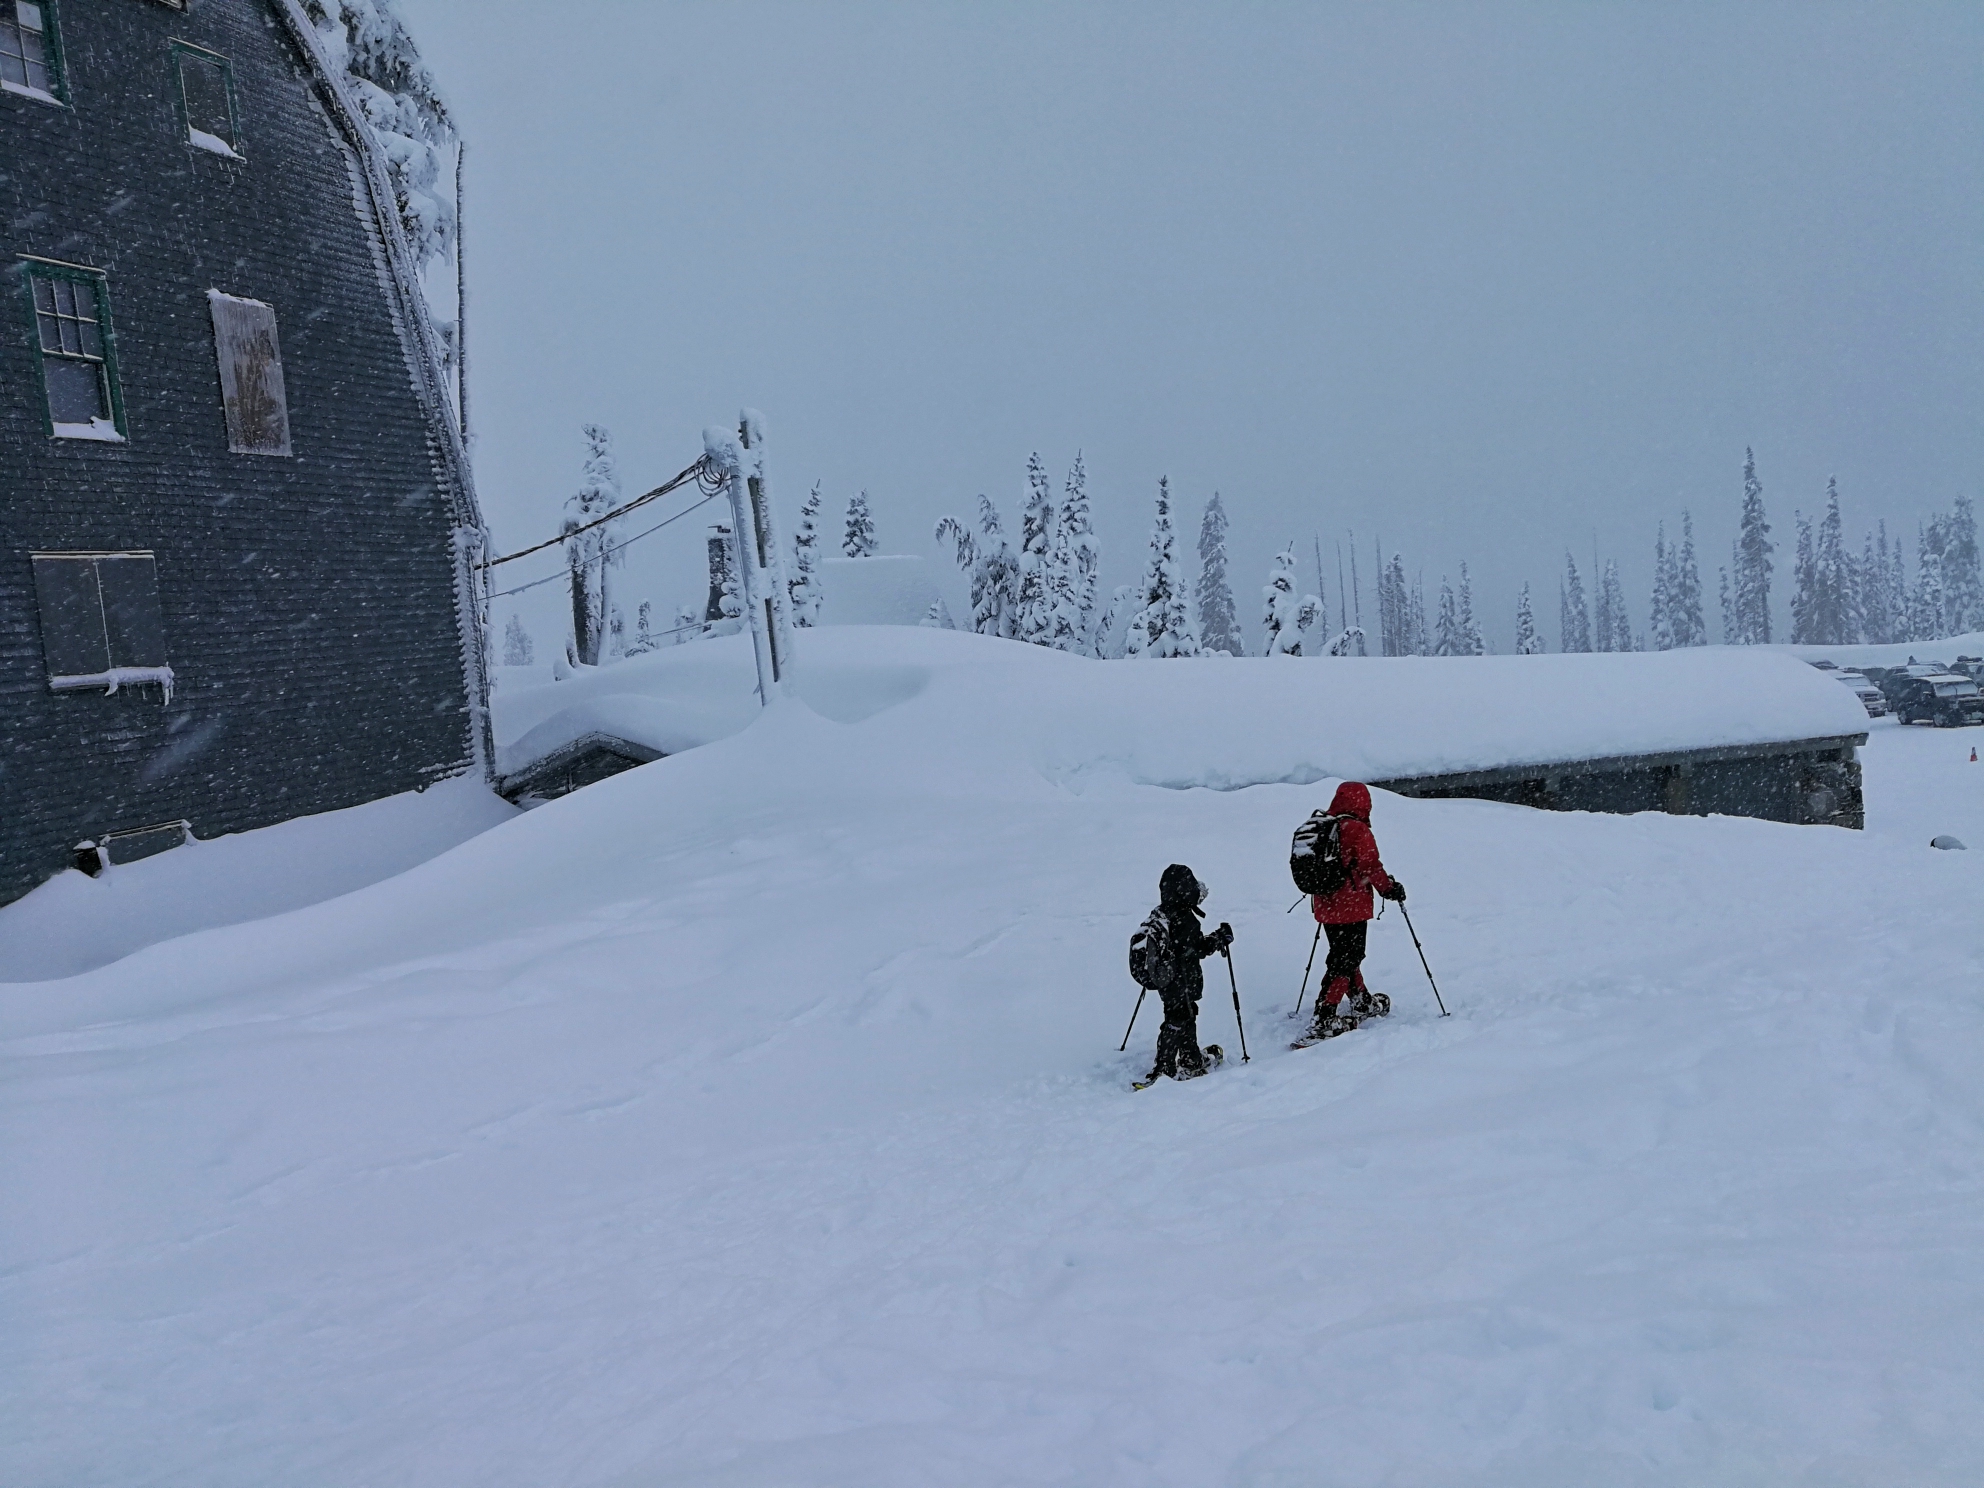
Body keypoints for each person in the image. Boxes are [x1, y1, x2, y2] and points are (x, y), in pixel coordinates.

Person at [1307, 782, 1405, 1040]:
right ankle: (1325, 1016)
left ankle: (1361, 1001)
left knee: (1344, 954)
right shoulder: (1356, 829)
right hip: (1350, 906)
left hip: (1326, 904)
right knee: (1346, 957)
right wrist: (1389, 889)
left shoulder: (1324, 825)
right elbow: (1370, 866)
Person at [1144, 863, 1233, 1083]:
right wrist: (1219, 939)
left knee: (1185, 1013)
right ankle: (1164, 1068)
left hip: (1166, 979)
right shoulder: (1185, 919)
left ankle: (1190, 1058)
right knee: (1178, 1018)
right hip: (1181, 979)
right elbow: (1197, 949)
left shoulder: (1161, 913)